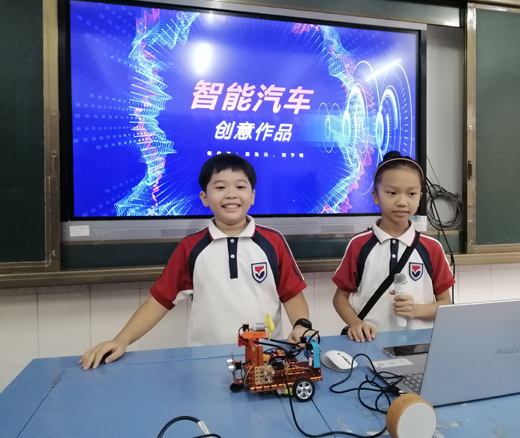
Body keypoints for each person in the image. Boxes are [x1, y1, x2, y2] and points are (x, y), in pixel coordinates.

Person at [80, 154, 312, 370]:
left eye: (240, 187)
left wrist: (301, 326)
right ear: (204, 198)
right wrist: (121, 340)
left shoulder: (273, 242)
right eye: (220, 187)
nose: (231, 194)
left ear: (252, 196)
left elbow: (292, 295)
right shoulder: (190, 247)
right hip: (205, 364)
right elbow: (159, 301)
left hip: (266, 360)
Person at [332, 151, 455, 343]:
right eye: (392, 193)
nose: (402, 202)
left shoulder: (432, 248)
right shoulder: (359, 245)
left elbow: (446, 303)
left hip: (421, 347)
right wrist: (355, 324)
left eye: (411, 193)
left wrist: (416, 310)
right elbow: (340, 298)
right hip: (370, 347)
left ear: (420, 197)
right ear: (376, 196)